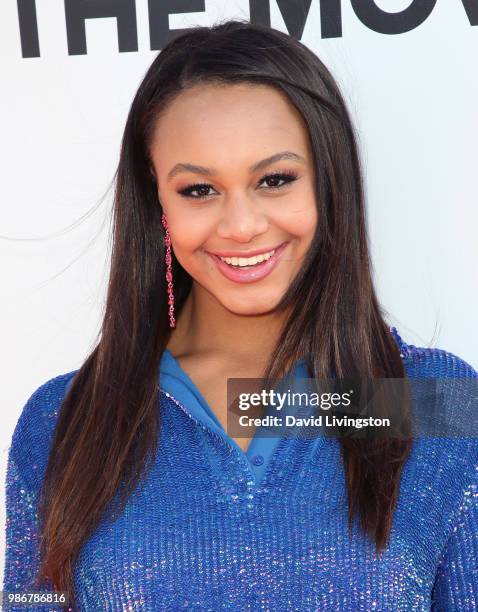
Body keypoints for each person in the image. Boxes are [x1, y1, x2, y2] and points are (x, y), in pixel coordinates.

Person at [3, 19, 477, 612]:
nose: (242, 225)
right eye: (199, 190)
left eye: (274, 180)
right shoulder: (61, 421)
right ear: (157, 200)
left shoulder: (437, 402)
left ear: (329, 181)